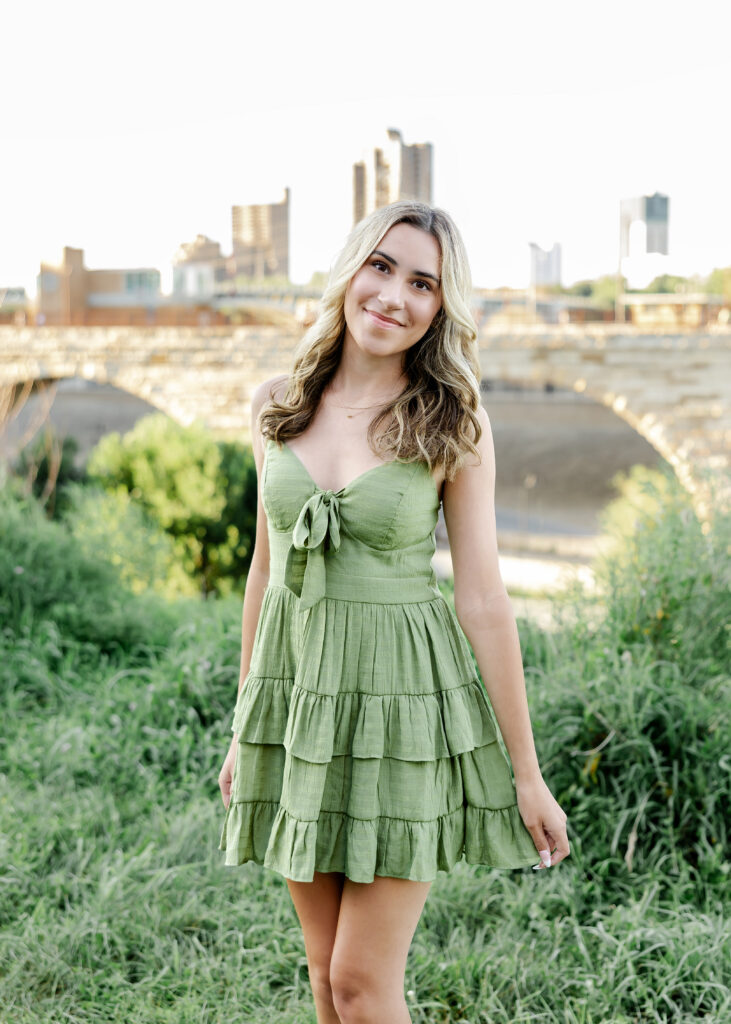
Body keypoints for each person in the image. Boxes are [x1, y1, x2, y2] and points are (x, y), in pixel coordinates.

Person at [218, 200, 570, 1024]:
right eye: (381, 267)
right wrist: (245, 725)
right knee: (320, 976)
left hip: (400, 711)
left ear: (440, 309)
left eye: (423, 283)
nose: (393, 296)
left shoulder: (453, 421)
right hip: (299, 701)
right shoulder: (277, 403)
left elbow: (482, 599)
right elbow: (265, 573)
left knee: (361, 984)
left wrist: (525, 773)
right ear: (350, 271)